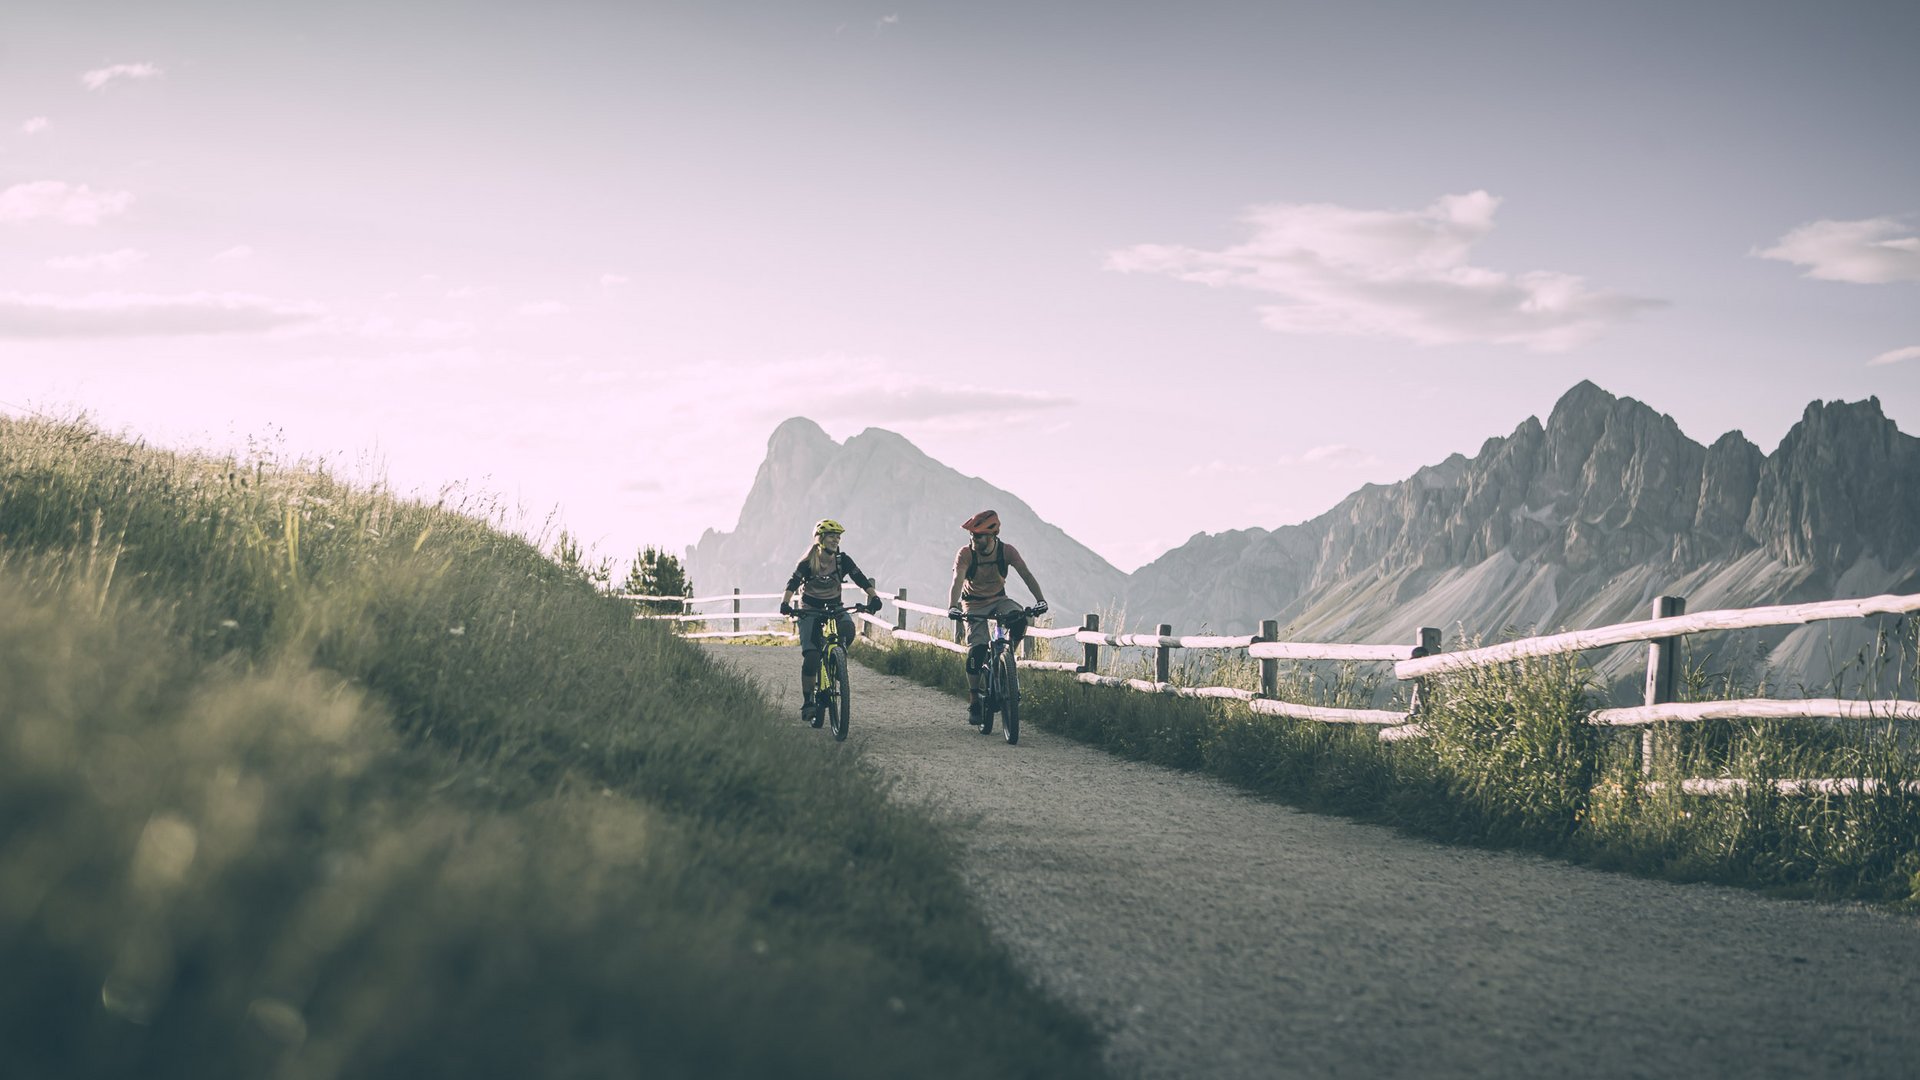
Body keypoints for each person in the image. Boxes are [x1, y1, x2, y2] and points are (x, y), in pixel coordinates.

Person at [945, 509, 1048, 724]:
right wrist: (953, 606)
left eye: (978, 536)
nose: (974, 540)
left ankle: (1006, 658)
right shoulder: (965, 554)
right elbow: (957, 580)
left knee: (1020, 618)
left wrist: (1040, 600)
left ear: (992, 536)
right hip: (973, 603)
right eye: (972, 535)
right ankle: (974, 700)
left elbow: (1026, 574)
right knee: (978, 650)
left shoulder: (1006, 552)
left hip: (999, 599)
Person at [779, 518, 881, 723]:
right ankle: (808, 701)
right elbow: (793, 582)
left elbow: (859, 578)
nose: (836, 539)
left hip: (834, 607)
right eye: (832, 536)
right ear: (820, 539)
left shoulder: (843, 560)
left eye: (838, 536)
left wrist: (874, 597)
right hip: (810, 610)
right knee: (811, 657)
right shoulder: (808, 562)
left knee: (847, 629)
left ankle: (836, 662)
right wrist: (785, 603)